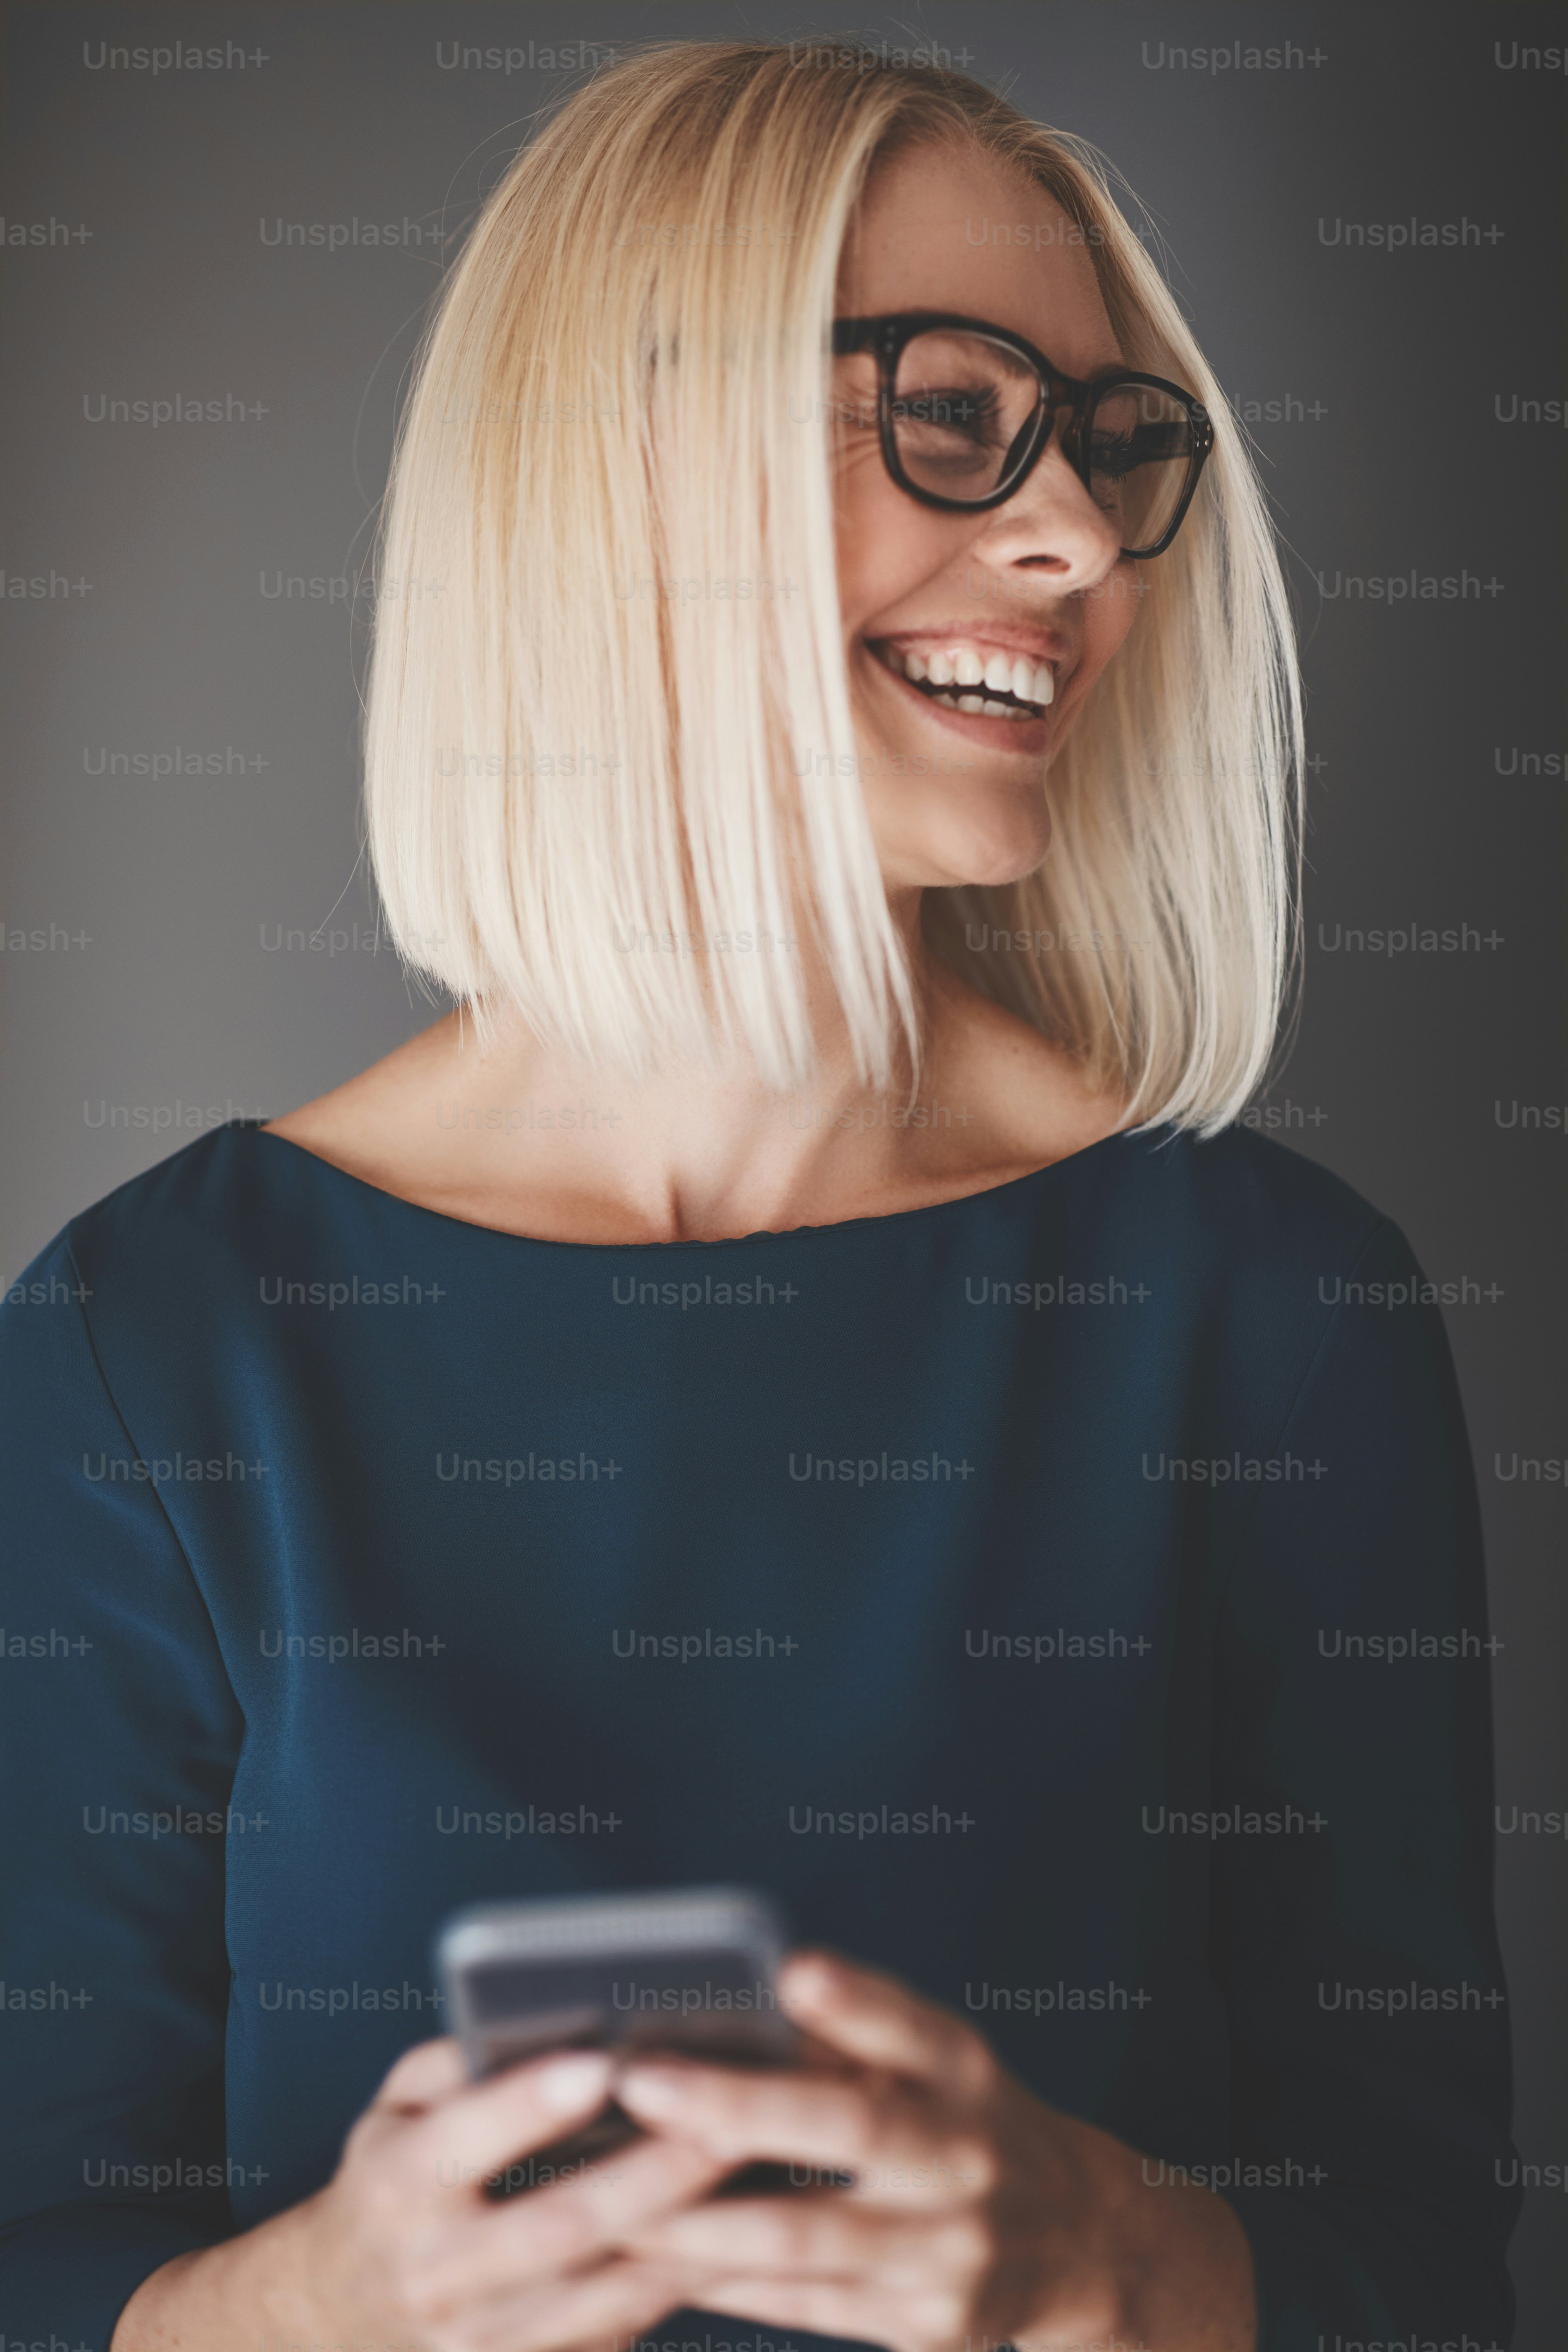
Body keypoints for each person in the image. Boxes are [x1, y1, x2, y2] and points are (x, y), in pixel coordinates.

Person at [0, 40, 1516, 2352]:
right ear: (620, 469)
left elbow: (1428, 2273)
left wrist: (1108, 2266)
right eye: (951, 414)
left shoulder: (1272, 1311)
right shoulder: (147, 1348)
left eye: (1114, 452)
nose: (1083, 546)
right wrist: (324, 2307)